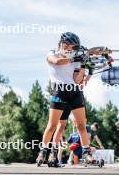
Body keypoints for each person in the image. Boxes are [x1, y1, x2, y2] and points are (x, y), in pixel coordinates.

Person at [36, 32, 92, 166]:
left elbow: (77, 80)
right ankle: (43, 151)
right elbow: (57, 62)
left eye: (74, 47)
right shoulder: (52, 53)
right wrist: (74, 58)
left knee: (81, 125)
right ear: (62, 44)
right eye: (69, 46)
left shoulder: (75, 58)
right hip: (59, 91)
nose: (71, 49)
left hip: (74, 92)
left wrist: (83, 64)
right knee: (52, 125)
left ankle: (86, 152)